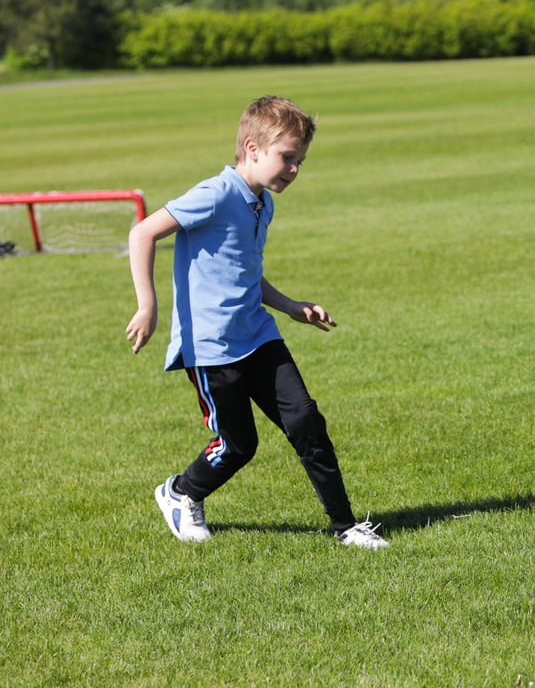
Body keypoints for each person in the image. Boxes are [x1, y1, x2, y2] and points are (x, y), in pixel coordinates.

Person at [125, 96, 387, 549]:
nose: (294, 170)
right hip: (211, 347)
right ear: (252, 148)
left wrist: (289, 306)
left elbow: (244, 271)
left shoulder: (261, 203)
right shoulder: (215, 193)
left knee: (306, 420)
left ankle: (346, 527)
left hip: (258, 334)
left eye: (300, 161)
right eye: (288, 158)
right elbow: (142, 232)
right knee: (238, 445)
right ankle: (181, 492)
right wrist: (146, 307)